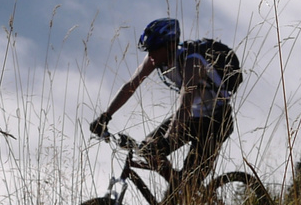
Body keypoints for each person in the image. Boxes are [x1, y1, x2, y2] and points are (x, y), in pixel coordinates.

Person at [89, 17, 236, 187]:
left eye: (154, 50)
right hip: (192, 117)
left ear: (170, 45)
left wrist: (169, 138)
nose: (150, 55)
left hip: (216, 121)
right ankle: (176, 191)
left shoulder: (192, 62)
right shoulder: (156, 59)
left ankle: (187, 192)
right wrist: (106, 116)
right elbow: (131, 86)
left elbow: (185, 103)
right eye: (148, 51)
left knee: (191, 180)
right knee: (147, 149)